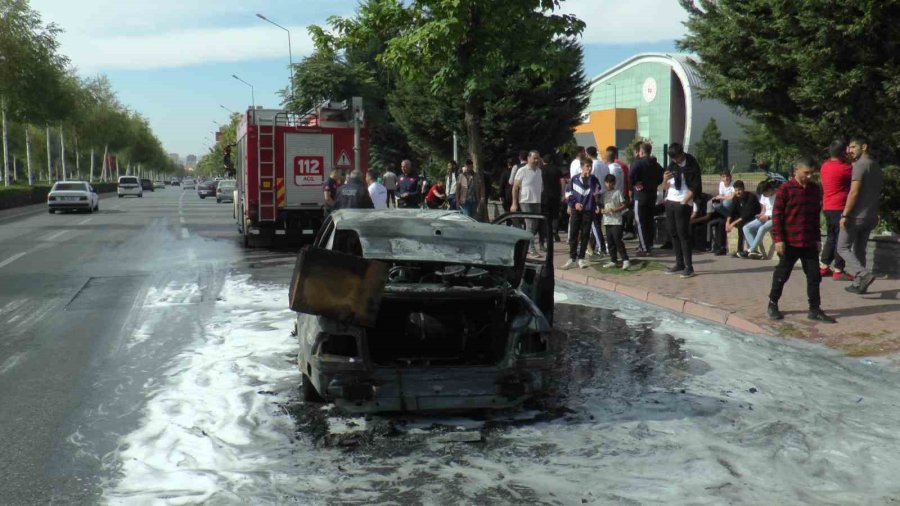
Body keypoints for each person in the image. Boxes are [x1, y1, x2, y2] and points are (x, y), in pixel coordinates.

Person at [767, 158, 836, 323]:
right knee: (782, 274)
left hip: (809, 241)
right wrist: (778, 239)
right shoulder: (785, 189)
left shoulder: (814, 189)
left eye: (812, 173)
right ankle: (772, 303)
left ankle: (815, 309)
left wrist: (818, 239)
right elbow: (777, 216)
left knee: (814, 276)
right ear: (797, 170)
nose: (809, 176)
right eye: (806, 173)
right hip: (789, 241)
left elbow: (815, 217)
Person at [839, 137, 885, 294]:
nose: (849, 150)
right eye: (848, 147)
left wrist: (845, 214)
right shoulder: (875, 166)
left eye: (853, 147)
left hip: (856, 216)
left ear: (864, 147)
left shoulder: (860, 166)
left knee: (842, 247)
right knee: (860, 249)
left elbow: (854, 192)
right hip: (871, 215)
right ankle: (859, 284)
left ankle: (863, 274)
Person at [663, 143, 702, 278]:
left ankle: (689, 267)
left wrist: (685, 201)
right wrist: (664, 179)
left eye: (676, 157)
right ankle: (679, 263)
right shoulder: (672, 165)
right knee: (673, 232)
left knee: (683, 233)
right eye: (672, 158)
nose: (674, 160)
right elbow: (664, 187)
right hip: (671, 200)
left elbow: (696, 186)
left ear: (681, 154)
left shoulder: (691, 164)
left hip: (683, 201)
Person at [819, 140, 852, 279]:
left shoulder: (825, 166)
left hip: (827, 206)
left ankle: (824, 266)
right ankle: (839, 269)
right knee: (842, 239)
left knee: (831, 237)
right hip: (840, 207)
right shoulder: (846, 168)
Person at [563, 158, 601, 269]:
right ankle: (572, 258)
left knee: (585, 234)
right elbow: (568, 194)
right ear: (582, 167)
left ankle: (581, 258)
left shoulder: (593, 179)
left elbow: (598, 191)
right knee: (574, 233)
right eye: (587, 166)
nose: (589, 169)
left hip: (588, 210)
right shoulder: (574, 179)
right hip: (576, 210)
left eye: (590, 166)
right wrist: (574, 204)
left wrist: (596, 203)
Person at [630, 142, 663, 257]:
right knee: (649, 220)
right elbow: (661, 176)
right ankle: (649, 244)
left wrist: (634, 184)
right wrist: (653, 184)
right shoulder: (656, 164)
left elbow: (630, 176)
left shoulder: (638, 163)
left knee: (640, 222)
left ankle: (644, 248)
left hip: (640, 196)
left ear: (641, 152)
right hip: (652, 195)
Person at [511, 150, 544, 255]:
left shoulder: (539, 171)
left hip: (537, 201)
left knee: (535, 225)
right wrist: (514, 203)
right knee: (529, 224)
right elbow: (515, 187)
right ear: (528, 158)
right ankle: (531, 248)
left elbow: (540, 186)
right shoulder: (522, 170)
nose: (536, 160)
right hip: (526, 201)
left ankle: (525, 243)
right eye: (534, 158)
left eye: (538, 158)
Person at [601, 174, 631, 270]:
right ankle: (613, 260)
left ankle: (625, 259)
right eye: (607, 182)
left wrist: (615, 209)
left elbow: (624, 205)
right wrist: (601, 210)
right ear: (605, 183)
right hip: (607, 220)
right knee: (610, 242)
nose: (609, 184)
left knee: (618, 240)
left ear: (614, 183)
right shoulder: (604, 194)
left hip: (617, 220)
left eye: (611, 182)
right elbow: (602, 206)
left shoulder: (618, 192)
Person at [726, 180, 760, 258]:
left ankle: (740, 250)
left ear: (743, 189)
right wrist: (727, 222)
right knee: (727, 221)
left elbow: (746, 214)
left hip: (753, 217)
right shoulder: (736, 197)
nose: (738, 192)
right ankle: (731, 249)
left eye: (740, 190)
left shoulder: (751, 197)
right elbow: (731, 211)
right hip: (742, 217)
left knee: (740, 224)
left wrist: (733, 223)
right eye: (736, 190)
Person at [743, 181, 776, 258]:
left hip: (774, 218)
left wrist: (768, 217)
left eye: (765, 193)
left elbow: (780, 213)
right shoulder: (764, 195)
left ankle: (750, 250)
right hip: (765, 217)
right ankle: (754, 251)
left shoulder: (778, 196)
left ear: (769, 190)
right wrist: (760, 215)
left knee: (762, 228)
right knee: (746, 228)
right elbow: (764, 209)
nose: (764, 195)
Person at [541, 154, 565, 243]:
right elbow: (562, 181)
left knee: (545, 215)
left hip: (544, 195)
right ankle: (555, 230)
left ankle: (547, 233)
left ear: (543, 161)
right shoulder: (557, 169)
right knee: (555, 215)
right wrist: (562, 194)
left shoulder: (541, 169)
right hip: (556, 195)